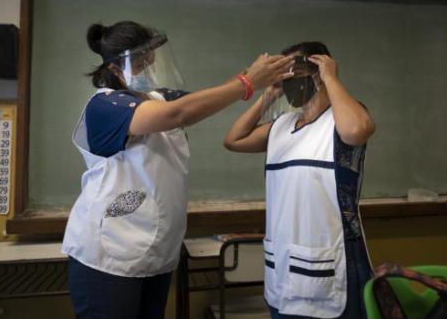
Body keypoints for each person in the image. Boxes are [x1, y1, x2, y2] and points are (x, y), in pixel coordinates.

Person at [63, 21, 294, 319]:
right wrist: (247, 81)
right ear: (117, 70)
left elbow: (199, 104)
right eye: (141, 61)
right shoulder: (105, 106)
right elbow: (178, 114)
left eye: (151, 59)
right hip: (108, 257)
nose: (150, 66)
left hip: (155, 253)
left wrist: (268, 93)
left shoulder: (161, 97)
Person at [224, 41, 376, 319]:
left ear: (317, 71)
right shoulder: (282, 125)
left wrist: (331, 78)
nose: (290, 79)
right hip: (283, 263)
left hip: (330, 261)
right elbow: (234, 140)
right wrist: (268, 96)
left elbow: (356, 130)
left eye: (296, 70)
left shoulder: (342, 118)